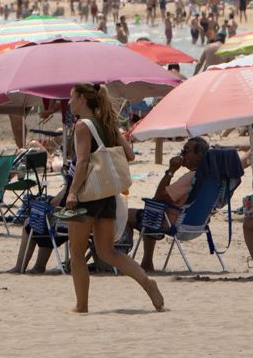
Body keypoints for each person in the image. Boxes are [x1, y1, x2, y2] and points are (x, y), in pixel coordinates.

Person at [64, 83, 164, 313]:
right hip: (107, 193)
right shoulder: (107, 124)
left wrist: (72, 192)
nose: (69, 102)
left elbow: (83, 162)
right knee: (108, 252)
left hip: (87, 194)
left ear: (81, 98)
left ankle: (81, 306)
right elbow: (129, 154)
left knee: (77, 253)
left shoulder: (82, 126)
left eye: (71, 98)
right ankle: (148, 284)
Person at [126, 137, 208, 271]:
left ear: (198, 156)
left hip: (172, 222)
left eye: (186, 151)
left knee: (129, 214)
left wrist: (171, 171)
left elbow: (159, 196)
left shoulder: (190, 177)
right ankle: (146, 263)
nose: (182, 154)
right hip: (198, 224)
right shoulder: (207, 177)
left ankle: (122, 257)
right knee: (152, 211)